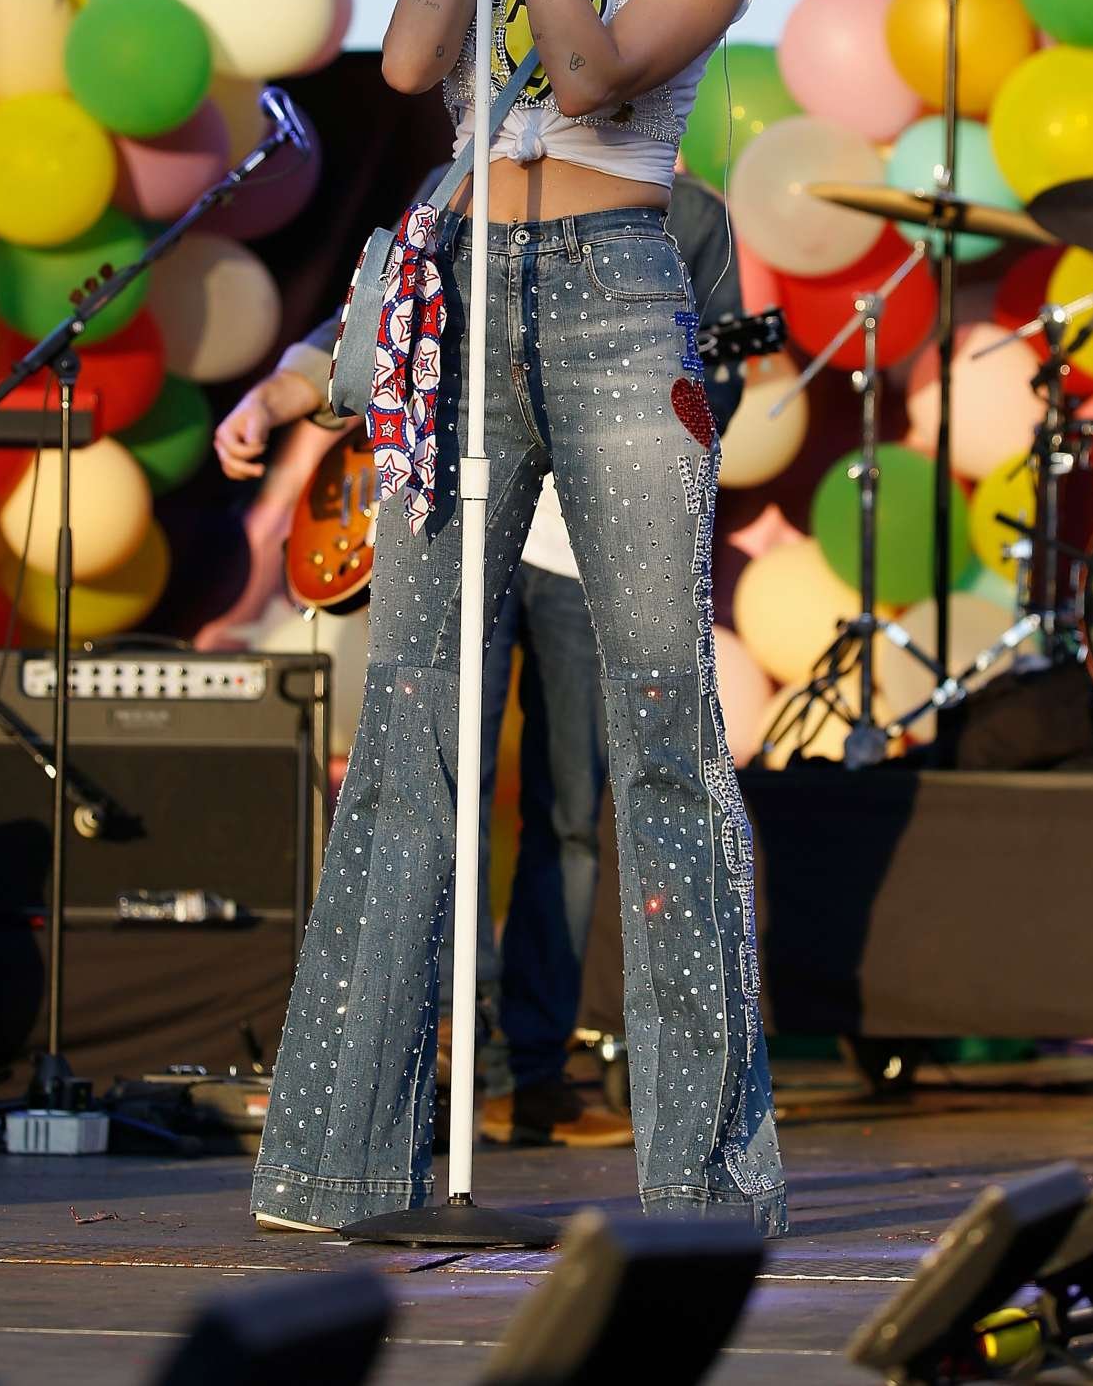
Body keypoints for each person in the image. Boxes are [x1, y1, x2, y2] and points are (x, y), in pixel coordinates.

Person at [242, 0, 786, 1235]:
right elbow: (410, 66)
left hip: (618, 295)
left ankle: (699, 1170)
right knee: (410, 720)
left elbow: (602, 64)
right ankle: (344, 1155)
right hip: (466, 288)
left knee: (662, 722)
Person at [216, 169, 744, 1150]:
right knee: (428, 782)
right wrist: (274, 396)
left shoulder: (692, 214)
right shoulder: (471, 174)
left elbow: (719, 386)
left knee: (571, 809)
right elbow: (373, 319)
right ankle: (428, 1063)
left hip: (589, 548)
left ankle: (536, 1070)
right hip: (451, 524)